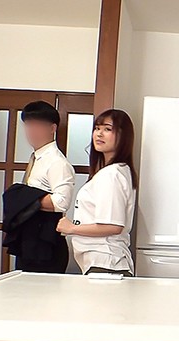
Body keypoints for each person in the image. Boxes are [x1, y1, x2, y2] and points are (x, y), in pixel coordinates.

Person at [56, 109, 137, 276]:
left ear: (123, 136)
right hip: (104, 262)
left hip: (106, 262)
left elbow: (113, 226)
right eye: (97, 128)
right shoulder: (115, 171)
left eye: (107, 129)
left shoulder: (112, 174)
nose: (99, 134)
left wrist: (71, 228)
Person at [3, 101, 75, 273]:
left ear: (52, 128)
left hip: (46, 244)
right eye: (28, 125)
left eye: (37, 125)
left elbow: (62, 202)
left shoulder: (57, 162)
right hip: (29, 241)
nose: (32, 131)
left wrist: (22, 199)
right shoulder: (36, 157)